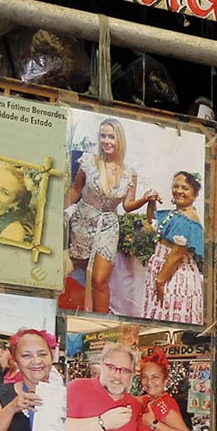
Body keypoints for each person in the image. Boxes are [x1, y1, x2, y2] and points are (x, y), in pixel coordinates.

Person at [64, 117, 148, 314]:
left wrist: (146, 199)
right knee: (76, 269)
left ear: (120, 140)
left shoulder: (129, 173)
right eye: (103, 136)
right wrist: (59, 212)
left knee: (100, 279)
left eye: (111, 136)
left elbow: (127, 206)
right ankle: (76, 313)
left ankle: (101, 324)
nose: (106, 141)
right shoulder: (89, 161)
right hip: (83, 220)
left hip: (109, 225)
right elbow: (75, 189)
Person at [142, 171, 205, 325]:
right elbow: (152, 221)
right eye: (176, 186)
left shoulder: (188, 219)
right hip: (165, 271)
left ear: (195, 194)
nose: (179, 191)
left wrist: (160, 281)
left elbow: (177, 254)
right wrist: (151, 202)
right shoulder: (176, 214)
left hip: (174, 276)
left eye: (185, 188)